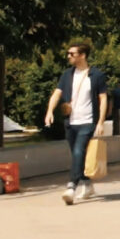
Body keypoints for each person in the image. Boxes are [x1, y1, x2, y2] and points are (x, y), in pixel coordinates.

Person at [44, 42, 107, 205]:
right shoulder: (67, 75)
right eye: (68, 53)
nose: (68, 56)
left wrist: (100, 121)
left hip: (87, 122)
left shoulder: (96, 75)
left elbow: (103, 99)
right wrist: (49, 111)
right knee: (78, 155)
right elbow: (57, 94)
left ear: (82, 55)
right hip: (71, 122)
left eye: (72, 54)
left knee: (79, 151)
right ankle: (88, 185)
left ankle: (71, 187)